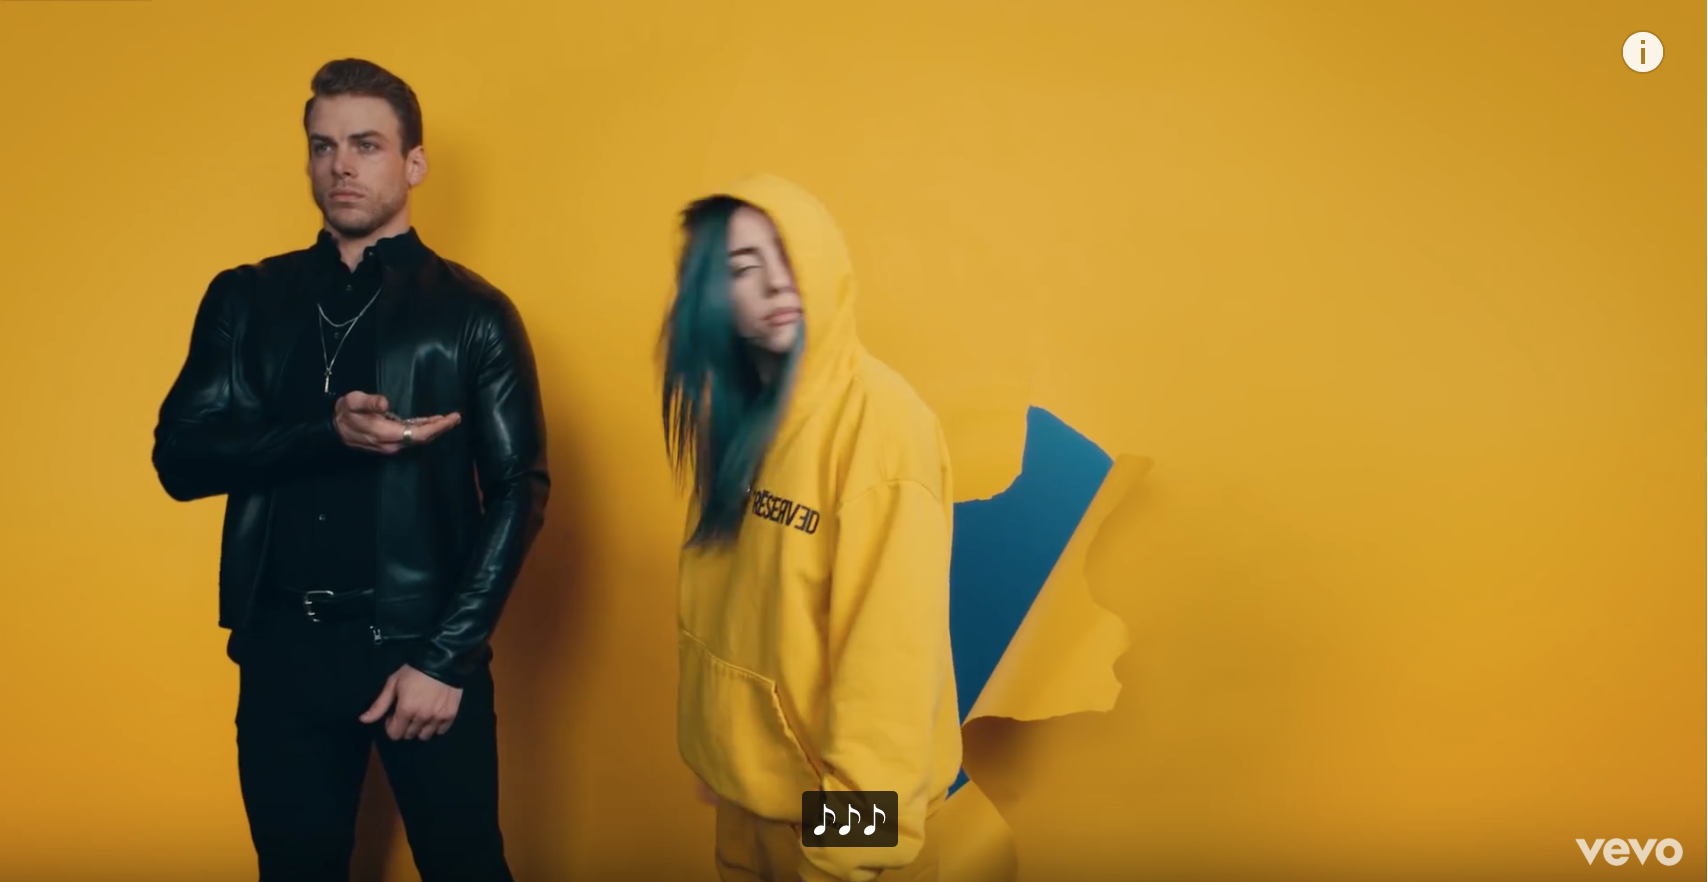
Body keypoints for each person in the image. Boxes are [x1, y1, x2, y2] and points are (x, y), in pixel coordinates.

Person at [150, 58, 548, 882]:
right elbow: (180, 458)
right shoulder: (246, 299)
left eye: (366, 144)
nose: (341, 165)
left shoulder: (472, 312)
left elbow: (519, 490)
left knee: (468, 867)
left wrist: (446, 659)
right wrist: (323, 433)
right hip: (283, 655)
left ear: (414, 163)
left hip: (420, 649)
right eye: (323, 146)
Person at [660, 174, 961, 882]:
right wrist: (721, 753)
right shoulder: (738, 421)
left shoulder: (883, 428)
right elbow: (726, 605)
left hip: (838, 834)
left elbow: (890, 677)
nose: (776, 282)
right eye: (743, 267)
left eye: (790, 254)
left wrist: (844, 855)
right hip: (750, 809)